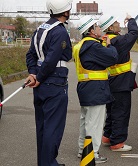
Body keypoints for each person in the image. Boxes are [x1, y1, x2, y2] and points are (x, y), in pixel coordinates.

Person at [25, 0, 73, 165]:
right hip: (54, 83)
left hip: (41, 85)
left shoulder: (40, 29)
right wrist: (39, 77)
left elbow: (30, 54)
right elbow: (55, 58)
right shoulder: (60, 32)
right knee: (53, 128)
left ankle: (44, 162)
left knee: (43, 127)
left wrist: (33, 73)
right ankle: (49, 164)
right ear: (65, 12)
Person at [73, 15, 118, 163]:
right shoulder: (93, 46)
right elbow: (113, 57)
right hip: (96, 89)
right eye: (97, 26)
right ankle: (93, 153)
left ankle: (83, 150)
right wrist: (110, 45)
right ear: (91, 31)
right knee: (95, 124)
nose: (100, 28)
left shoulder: (81, 45)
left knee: (85, 121)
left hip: (85, 87)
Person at [99, 14, 138, 151]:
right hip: (120, 82)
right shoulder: (119, 41)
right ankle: (117, 142)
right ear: (110, 27)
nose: (118, 23)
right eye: (115, 22)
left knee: (111, 111)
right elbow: (134, 34)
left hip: (109, 81)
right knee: (121, 111)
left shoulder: (103, 40)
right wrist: (131, 20)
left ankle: (107, 136)